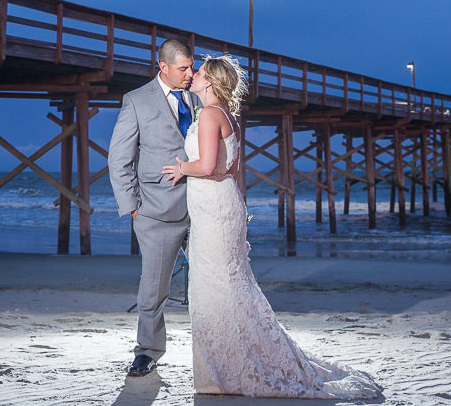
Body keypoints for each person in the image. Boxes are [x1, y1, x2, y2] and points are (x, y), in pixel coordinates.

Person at [162, 55, 382, 399]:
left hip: (214, 209)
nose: (193, 76)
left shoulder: (208, 114)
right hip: (222, 206)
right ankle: (224, 368)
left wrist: (182, 169)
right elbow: (231, 172)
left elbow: (207, 166)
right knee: (227, 287)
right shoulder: (229, 117)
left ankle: (223, 374)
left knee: (213, 290)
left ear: (211, 81)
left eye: (200, 72)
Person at [107, 39, 200, 377]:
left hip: (202, 206)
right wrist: (133, 208)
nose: (191, 74)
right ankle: (147, 351)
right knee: (154, 288)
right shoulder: (136, 101)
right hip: (156, 211)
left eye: (191, 67)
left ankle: (215, 348)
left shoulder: (198, 95)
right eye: (183, 68)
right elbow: (119, 159)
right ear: (163, 66)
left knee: (213, 282)